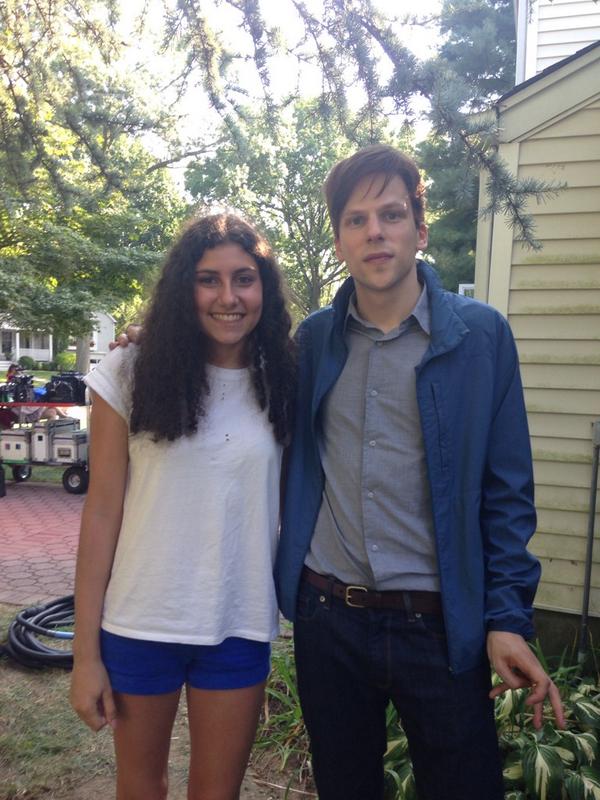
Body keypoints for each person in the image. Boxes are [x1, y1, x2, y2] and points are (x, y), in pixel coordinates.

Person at [273, 144, 565, 800]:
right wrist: (151, 341)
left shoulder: (481, 338)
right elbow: (234, 375)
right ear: (340, 241)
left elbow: (507, 494)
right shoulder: (312, 342)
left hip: (438, 627)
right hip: (329, 619)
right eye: (356, 219)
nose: (374, 231)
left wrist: (507, 618)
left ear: (419, 230)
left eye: (391, 214)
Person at [70, 213, 296, 800]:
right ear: (182, 289)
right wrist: (84, 655)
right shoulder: (131, 371)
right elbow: (101, 513)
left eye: (244, 279)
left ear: (264, 289)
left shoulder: (285, 379)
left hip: (238, 622)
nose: (228, 297)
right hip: (140, 621)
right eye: (207, 280)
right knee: (141, 788)